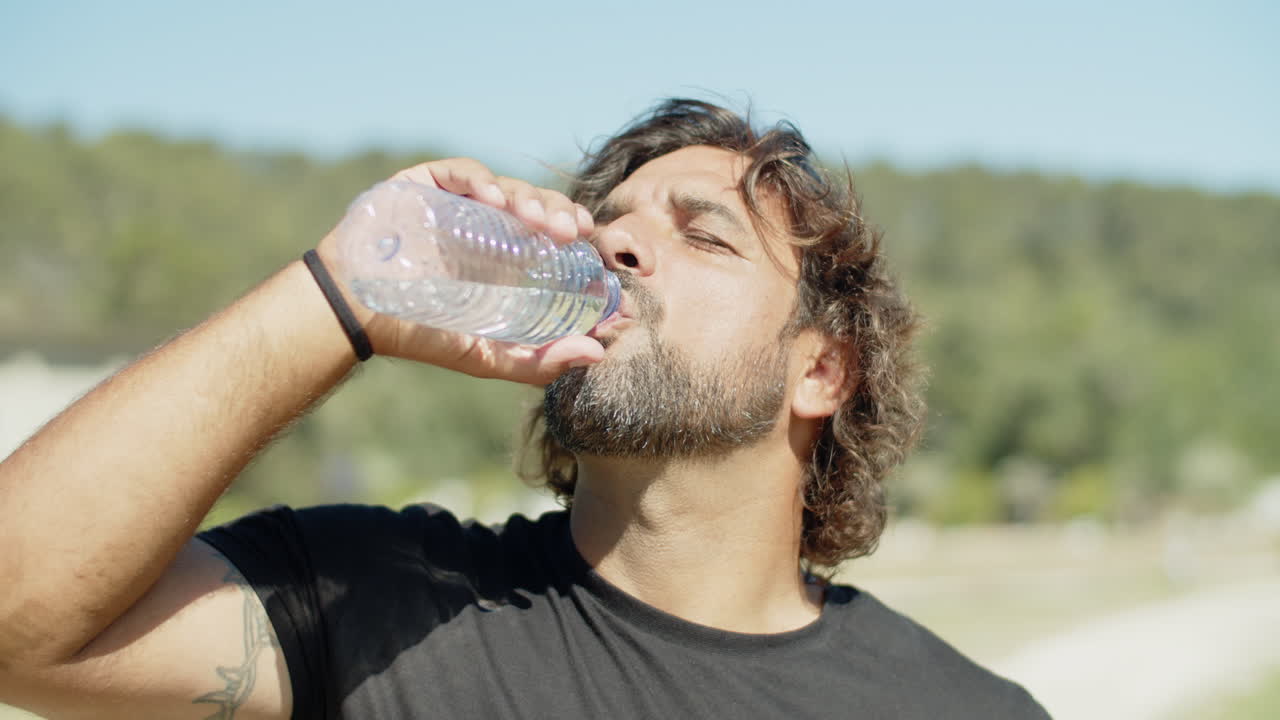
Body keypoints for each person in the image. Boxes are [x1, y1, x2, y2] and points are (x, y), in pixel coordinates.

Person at [0, 98, 1049, 719]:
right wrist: (339, 295)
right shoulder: (381, 604)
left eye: (704, 235)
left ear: (822, 373)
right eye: (610, 222)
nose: (616, 245)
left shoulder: (957, 711)